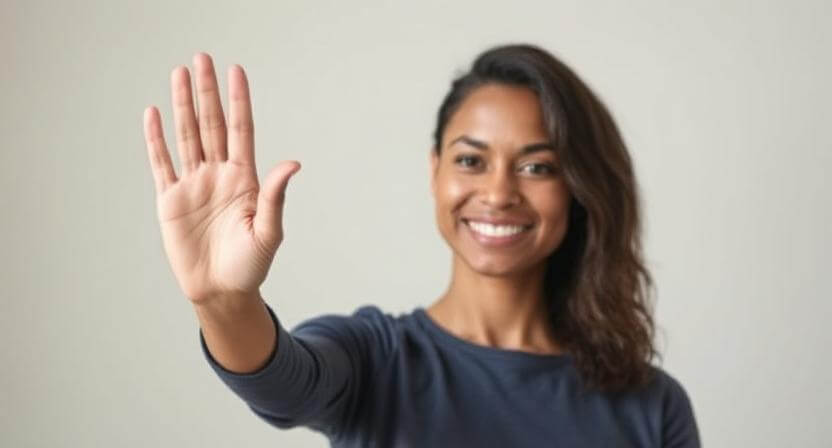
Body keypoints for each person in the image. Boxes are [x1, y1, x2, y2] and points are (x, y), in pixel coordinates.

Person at [143, 43, 701, 447]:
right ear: (435, 172)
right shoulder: (375, 358)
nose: (499, 192)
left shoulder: (651, 405)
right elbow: (285, 385)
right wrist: (222, 300)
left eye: (537, 166)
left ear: (579, 188)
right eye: (470, 160)